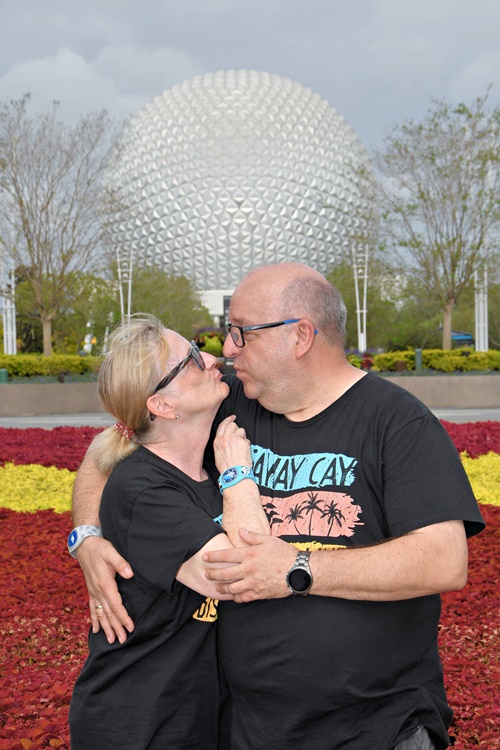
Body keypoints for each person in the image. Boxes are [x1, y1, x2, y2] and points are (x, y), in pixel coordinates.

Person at [71, 264, 484, 750]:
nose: (226, 350)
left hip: (376, 727)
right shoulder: (229, 400)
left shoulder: (397, 421)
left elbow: (444, 560)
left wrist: (298, 569)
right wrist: (88, 537)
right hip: (247, 729)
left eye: (242, 333)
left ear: (300, 336)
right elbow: (116, 445)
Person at [69, 314, 269, 750]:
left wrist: (84, 536)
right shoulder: (142, 489)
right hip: (139, 724)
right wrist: (237, 474)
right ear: (161, 405)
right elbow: (240, 574)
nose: (213, 358)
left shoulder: (202, 451)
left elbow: (112, 435)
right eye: (193, 358)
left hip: (198, 714)